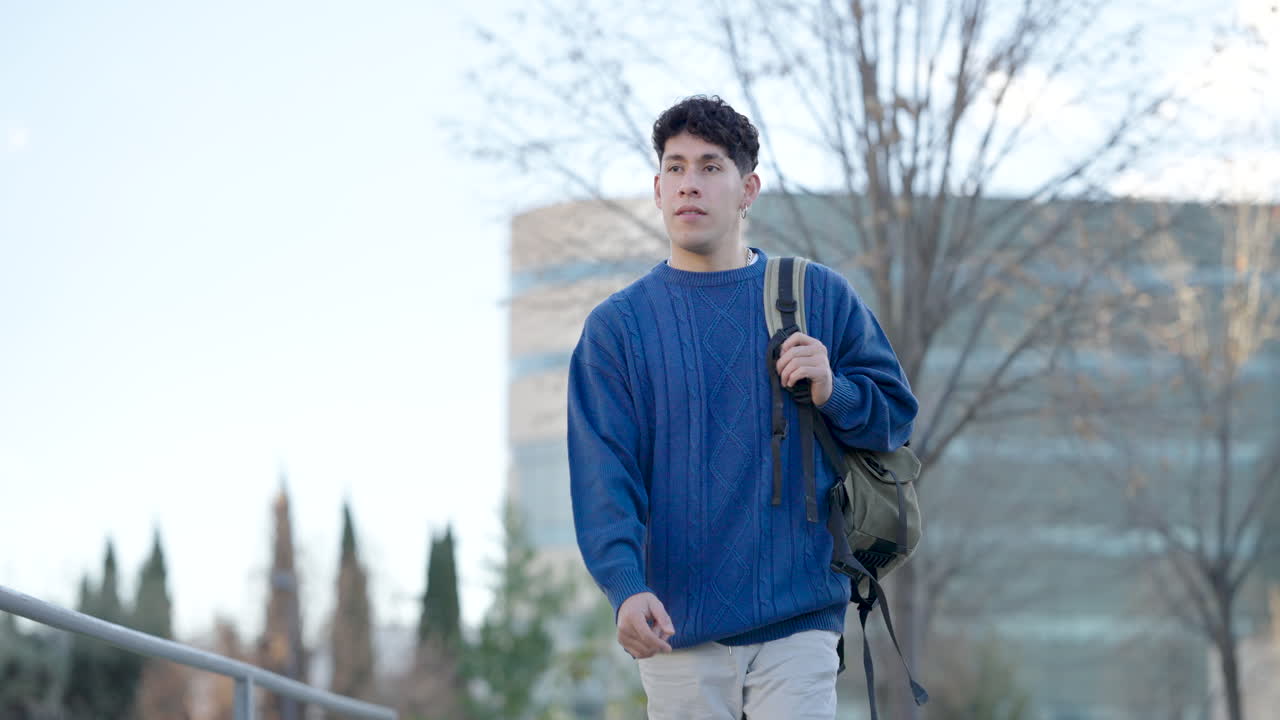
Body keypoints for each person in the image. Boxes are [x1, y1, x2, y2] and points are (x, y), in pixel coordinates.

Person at [567, 95, 918, 719]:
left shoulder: (818, 296)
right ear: (656, 188)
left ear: (748, 187)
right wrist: (625, 588)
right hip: (676, 627)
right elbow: (604, 477)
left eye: (710, 167)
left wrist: (832, 389)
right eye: (675, 169)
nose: (689, 185)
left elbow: (895, 414)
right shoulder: (616, 330)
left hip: (800, 616)